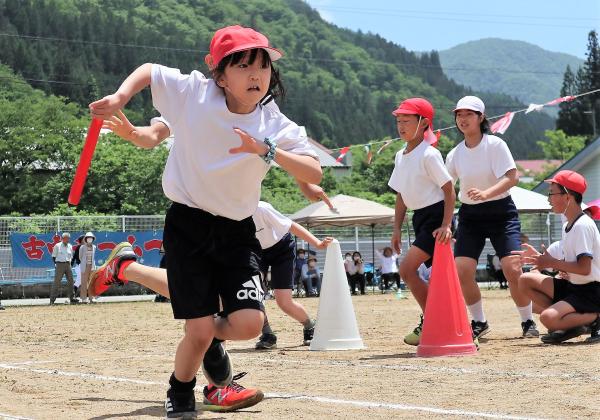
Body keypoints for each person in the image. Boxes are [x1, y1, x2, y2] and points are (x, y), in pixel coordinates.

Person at [89, 25, 321, 418]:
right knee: (199, 331)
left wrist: (269, 152)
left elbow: (313, 170)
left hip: (238, 230)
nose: (255, 75)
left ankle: (132, 274)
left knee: (249, 323)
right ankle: (182, 389)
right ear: (219, 74)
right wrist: (120, 97)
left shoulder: (273, 122)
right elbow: (149, 71)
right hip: (189, 225)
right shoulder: (194, 93)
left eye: (263, 66)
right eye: (244, 66)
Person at [446, 96, 538, 339]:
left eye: (469, 114)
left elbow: (511, 177)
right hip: (469, 216)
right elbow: (445, 187)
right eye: (459, 115)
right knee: (462, 269)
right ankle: (479, 322)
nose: (462, 119)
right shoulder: (454, 153)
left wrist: (486, 193)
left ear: (481, 117)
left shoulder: (495, 144)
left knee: (512, 268)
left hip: (501, 213)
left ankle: (527, 321)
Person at [387, 98, 456, 346]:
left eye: (407, 120)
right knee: (440, 279)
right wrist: (395, 228)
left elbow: (450, 190)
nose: (401, 125)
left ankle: (438, 322)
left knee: (407, 270)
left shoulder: (430, 154)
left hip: (437, 217)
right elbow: (401, 195)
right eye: (398, 120)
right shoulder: (400, 155)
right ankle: (441, 323)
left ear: (424, 123)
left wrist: (447, 225)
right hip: (420, 218)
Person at [515, 171, 600, 344]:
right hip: (575, 287)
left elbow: (585, 269)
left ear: (567, 197)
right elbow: (572, 264)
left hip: (591, 292)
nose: (549, 199)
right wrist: (541, 259)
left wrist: (550, 262)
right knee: (524, 280)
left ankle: (595, 317)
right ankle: (572, 323)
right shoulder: (569, 224)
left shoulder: (582, 226)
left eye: (552, 193)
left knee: (547, 318)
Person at [50, 232, 77, 305]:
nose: (68, 240)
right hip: (59, 264)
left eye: (68, 238)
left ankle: (72, 298)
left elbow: (71, 256)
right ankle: (52, 300)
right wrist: (55, 264)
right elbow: (53, 256)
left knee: (71, 281)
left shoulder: (70, 246)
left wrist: (70, 264)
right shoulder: (57, 246)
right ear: (63, 238)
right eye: (66, 238)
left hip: (68, 264)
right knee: (57, 282)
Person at [78, 232, 97, 304]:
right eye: (88, 238)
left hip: (92, 266)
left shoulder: (94, 247)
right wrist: (84, 263)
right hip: (84, 266)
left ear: (93, 239)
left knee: (91, 282)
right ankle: (83, 298)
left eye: (91, 238)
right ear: (85, 239)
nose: (89, 239)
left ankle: (92, 298)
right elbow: (80, 257)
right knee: (84, 283)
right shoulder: (82, 247)